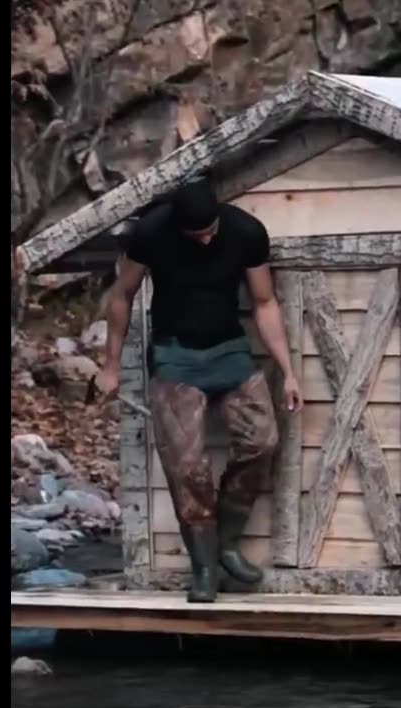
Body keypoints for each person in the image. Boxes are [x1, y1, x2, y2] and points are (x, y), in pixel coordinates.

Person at [92, 177, 302, 603]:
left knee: (263, 440)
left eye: (211, 231)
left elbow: (264, 303)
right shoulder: (149, 233)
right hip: (175, 357)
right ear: (177, 225)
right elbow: (122, 297)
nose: (206, 240)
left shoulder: (245, 232)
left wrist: (289, 371)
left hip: (229, 350)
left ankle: (225, 543)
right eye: (196, 235)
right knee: (188, 466)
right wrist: (110, 366)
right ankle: (204, 568)